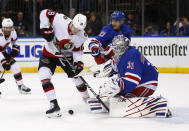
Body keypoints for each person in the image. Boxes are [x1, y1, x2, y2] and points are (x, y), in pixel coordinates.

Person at [87, 35, 171, 118]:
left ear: (123, 47)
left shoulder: (132, 55)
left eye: (117, 48)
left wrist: (117, 85)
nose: (115, 50)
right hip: (137, 81)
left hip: (147, 82)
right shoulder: (119, 55)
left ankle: (157, 106)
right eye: (114, 48)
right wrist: (100, 70)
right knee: (114, 91)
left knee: (127, 99)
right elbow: (113, 67)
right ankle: (115, 101)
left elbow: (132, 81)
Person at [39, 9, 89, 117]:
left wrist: (78, 63)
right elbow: (44, 12)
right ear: (72, 22)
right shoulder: (60, 19)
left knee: (77, 77)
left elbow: (77, 50)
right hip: (49, 54)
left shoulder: (82, 35)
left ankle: (87, 99)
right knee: (43, 75)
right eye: (75, 28)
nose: (76, 31)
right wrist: (45, 28)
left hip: (66, 56)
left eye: (79, 29)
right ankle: (53, 104)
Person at [0, 18, 31, 95]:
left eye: (10, 27)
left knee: (15, 67)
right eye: (6, 28)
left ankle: (21, 86)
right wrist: (3, 62)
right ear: (3, 27)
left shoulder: (13, 32)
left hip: (3, 52)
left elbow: (15, 42)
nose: (8, 29)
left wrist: (14, 52)